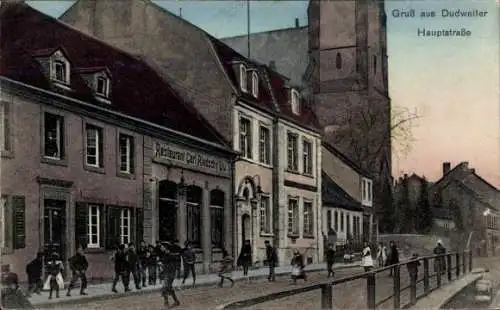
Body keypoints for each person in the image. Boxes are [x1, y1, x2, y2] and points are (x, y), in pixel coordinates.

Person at [158, 242, 180, 308]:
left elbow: (172, 266)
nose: (161, 248)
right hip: (167, 274)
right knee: (169, 288)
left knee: (164, 288)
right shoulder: (165, 255)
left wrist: (162, 265)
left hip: (170, 274)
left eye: (162, 247)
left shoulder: (170, 255)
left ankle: (166, 304)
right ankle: (176, 301)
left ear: (166, 248)